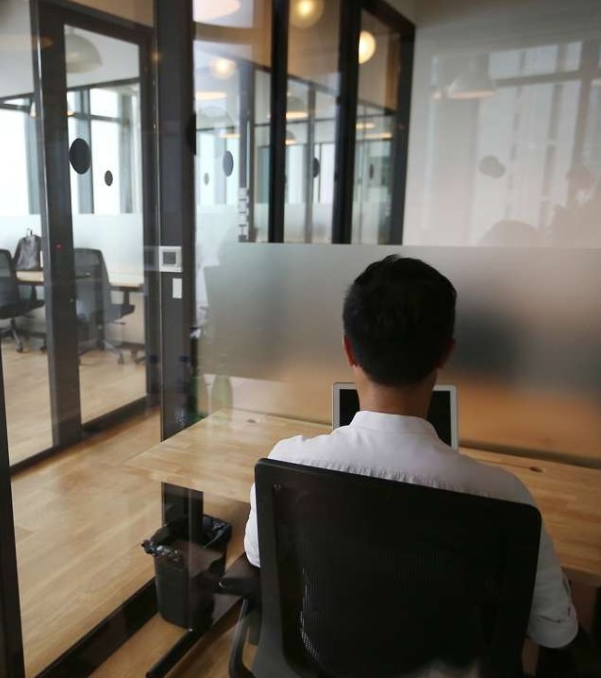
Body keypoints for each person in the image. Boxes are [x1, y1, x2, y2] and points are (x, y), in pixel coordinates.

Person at [243, 255, 577, 650]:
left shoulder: (286, 464)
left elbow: (259, 554)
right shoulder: (504, 496)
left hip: (325, 659)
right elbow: (555, 632)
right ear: (445, 354)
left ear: (349, 351)